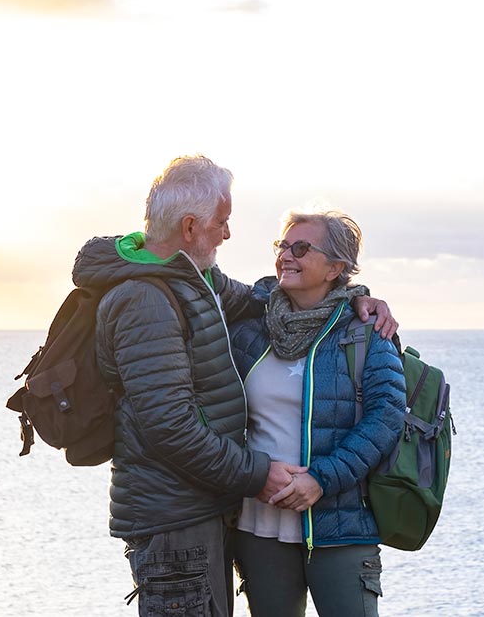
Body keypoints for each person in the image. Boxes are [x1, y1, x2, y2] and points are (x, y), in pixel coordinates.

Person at [70, 155, 396, 617]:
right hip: (175, 518)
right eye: (222, 222)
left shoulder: (194, 279)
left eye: (300, 248)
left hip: (217, 513)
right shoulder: (146, 299)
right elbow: (170, 425)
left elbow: (263, 297)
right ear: (189, 228)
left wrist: (357, 296)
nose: (228, 233)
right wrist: (257, 474)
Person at [228, 208, 406, 617]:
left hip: (340, 527)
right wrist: (251, 472)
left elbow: (386, 419)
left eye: (301, 248)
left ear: (335, 268)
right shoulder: (249, 327)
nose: (286, 256)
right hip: (259, 525)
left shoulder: (365, 333)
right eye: (282, 246)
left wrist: (320, 480)